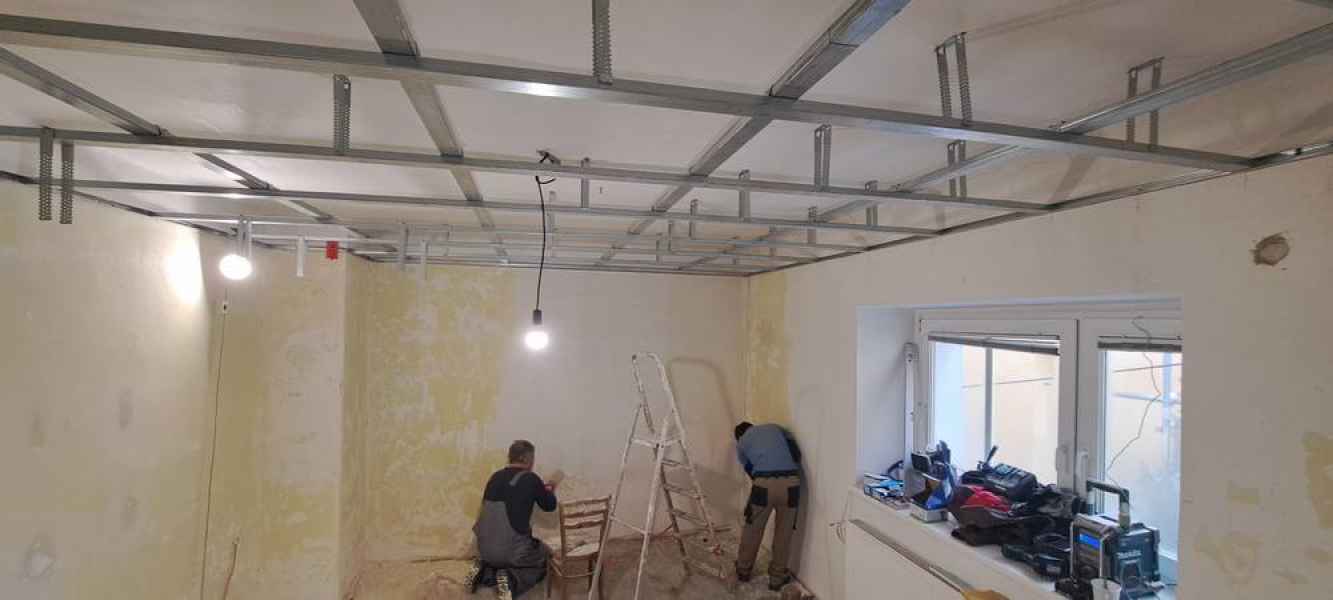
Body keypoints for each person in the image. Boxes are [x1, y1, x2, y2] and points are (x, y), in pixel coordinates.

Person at [463, 440, 558, 599]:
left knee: (498, 560)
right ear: (526, 458)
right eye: (533, 458)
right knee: (543, 559)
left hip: (483, 550)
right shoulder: (531, 478)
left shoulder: (494, 477)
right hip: (512, 551)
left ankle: (483, 572)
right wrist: (549, 490)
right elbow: (549, 505)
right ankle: (512, 581)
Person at [733, 421, 803, 591]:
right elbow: (796, 454)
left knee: (753, 528)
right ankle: (777, 579)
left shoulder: (741, 443)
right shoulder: (775, 428)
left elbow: (750, 470)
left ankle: (743, 570)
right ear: (752, 427)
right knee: (784, 532)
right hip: (792, 485)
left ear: (739, 436)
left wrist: (764, 481)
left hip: (764, 485)